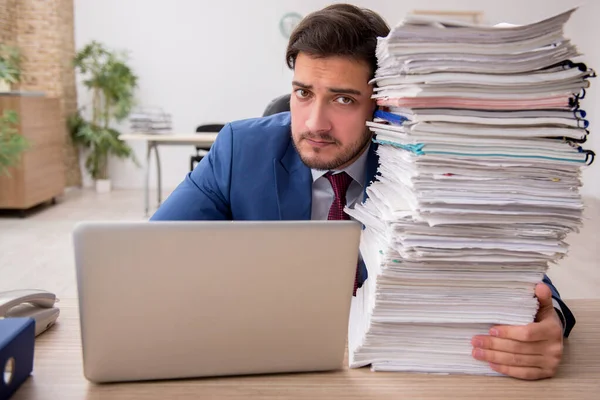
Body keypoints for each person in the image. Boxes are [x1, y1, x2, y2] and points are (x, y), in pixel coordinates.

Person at [151, 3, 574, 381]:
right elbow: (153, 253)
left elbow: (512, 268)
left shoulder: (419, 161)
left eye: (343, 100)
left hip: (390, 376)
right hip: (267, 361)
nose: (315, 122)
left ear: (380, 101)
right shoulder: (239, 149)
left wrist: (545, 318)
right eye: (303, 93)